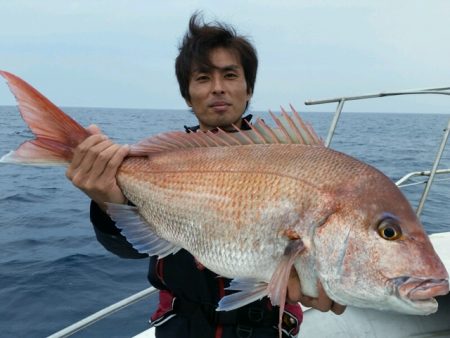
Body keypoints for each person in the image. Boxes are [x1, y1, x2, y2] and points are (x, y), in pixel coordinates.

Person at [66, 13, 345, 338]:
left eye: (229, 75)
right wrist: (105, 202)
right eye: (202, 78)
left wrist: (333, 277)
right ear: (187, 94)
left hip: (266, 327)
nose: (217, 88)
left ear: (248, 88)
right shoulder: (163, 162)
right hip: (181, 327)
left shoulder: (293, 161)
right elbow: (131, 248)